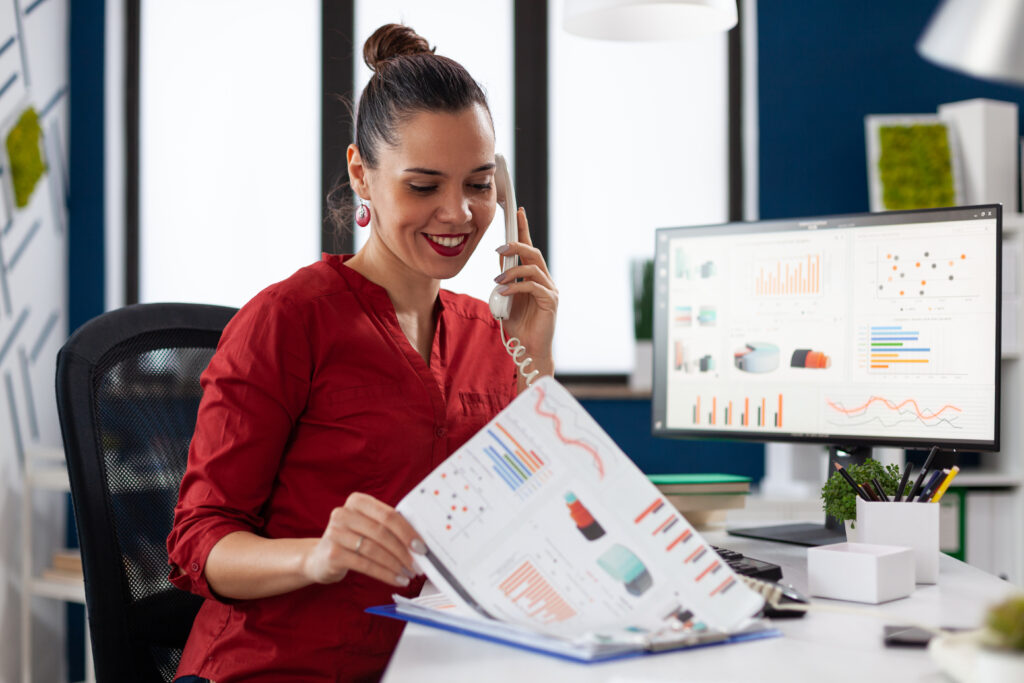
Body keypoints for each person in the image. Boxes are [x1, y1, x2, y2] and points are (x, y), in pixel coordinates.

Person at [166, 23, 558, 683]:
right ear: (362, 176)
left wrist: (536, 363)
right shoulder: (288, 320)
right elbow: (199, 542)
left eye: (480, 184)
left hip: (433, 666)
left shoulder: (497, 334)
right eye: (425, 185)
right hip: (274, 667)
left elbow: (535, 526)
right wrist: (316, 555)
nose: (459, 213)